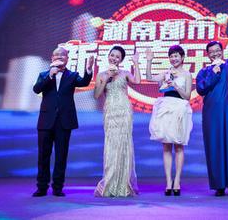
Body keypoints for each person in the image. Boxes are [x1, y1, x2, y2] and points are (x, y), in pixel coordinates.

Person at [195, 12, 228, 196]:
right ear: (208, 55)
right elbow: (201, 89)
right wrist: (214, 72)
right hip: (212, 115)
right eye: (211, 52)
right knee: (216, 146)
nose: (215, 53)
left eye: (217, 50)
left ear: (221, 51)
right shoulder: (204, 71)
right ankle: (220, 185)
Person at [32, 46, 95, 197]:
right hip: (46, 121)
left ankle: (58, 187)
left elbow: (84, 82)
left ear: (67, 59)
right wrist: (50, 75)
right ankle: (41, 187)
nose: (59, 57)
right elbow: (36, 89)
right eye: (56, 55)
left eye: (63, 55)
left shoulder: (72, 75)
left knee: (61, 156)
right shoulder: (44, 74)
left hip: (64, 121)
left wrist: (88, 70)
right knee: (43, 156)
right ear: (52, 58)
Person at [93, 46, 141, 197]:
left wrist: (136, 63)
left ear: (121, 60)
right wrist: (107, 77)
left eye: (117, 57)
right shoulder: (101, 75)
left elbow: (137, 81)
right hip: (110, 112)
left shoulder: (125, 73)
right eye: (112, 55)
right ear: (108, 56)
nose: (114, 58)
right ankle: (110, 182)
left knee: (123, 144)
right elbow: (96, 95)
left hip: (124, 111)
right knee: (112, 145)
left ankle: (123, 184)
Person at [145, 45, 193, 196]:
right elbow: (149, 78)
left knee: (179, 146)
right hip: (165, 107)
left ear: (182, 57)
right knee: (166, 146)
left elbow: (187, 96)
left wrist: (175, 85)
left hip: (179, 108)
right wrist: (149, 61)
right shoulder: (166, 73)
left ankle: (177, 181)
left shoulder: (187, 74)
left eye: (176, 55)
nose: (174, 58)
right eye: (171, 56)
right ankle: (168, 182)